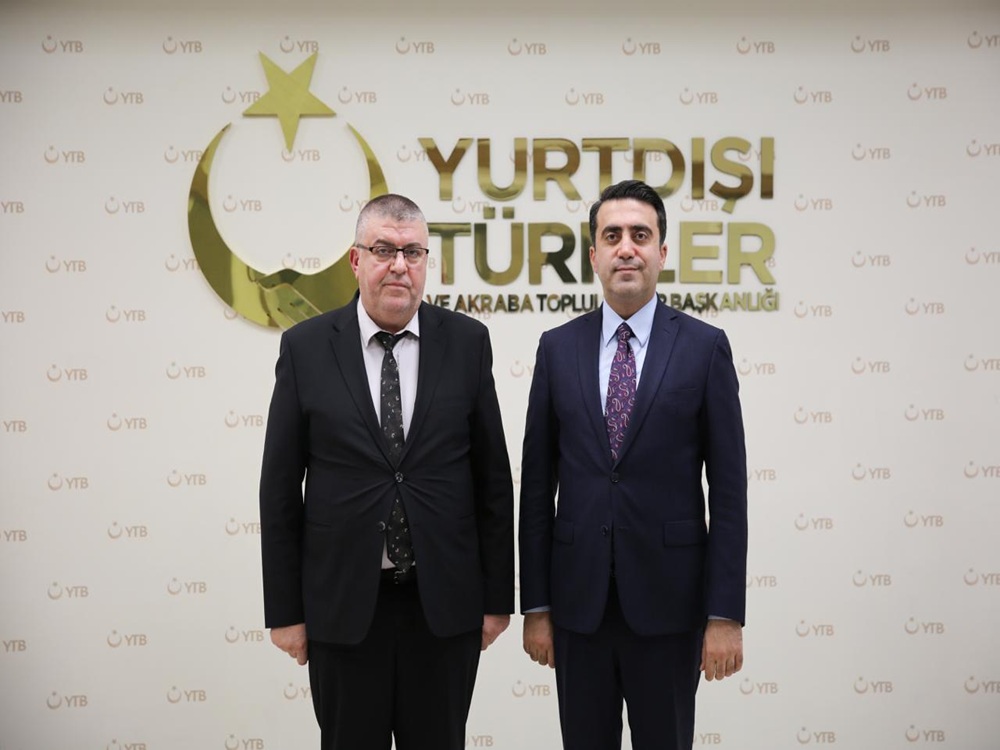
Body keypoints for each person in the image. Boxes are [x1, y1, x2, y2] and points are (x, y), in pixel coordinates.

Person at [259, 193, 515, 750]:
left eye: (412, 252)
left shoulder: (468, 342)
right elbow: (279, 490)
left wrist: (498, 598)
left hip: (442, 609)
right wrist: (285, 612)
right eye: (383, 250)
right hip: (343, 611)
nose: (399, 265)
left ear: (426, 262)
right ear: (357, 260)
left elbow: (493, 480)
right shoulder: (305, 348)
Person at [518, 180, 748, 750]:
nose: (626, 248)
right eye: (612, 235)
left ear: (662, 253)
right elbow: (537, 486)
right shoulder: (557, 348)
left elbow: (728, 493)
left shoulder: (704, 347)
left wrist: (724, 615)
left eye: (640, 235)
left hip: (671, 609)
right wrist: (537, 605)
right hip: (578, 609)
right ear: (593, 254)